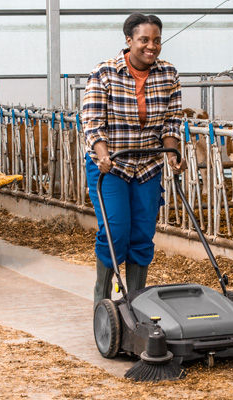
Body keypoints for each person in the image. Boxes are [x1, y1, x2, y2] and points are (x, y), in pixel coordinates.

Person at [82, 13, 185, 305]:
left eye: (156, 40)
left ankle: (135, 302)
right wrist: (102, 156)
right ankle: (103, 303)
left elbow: (171, 122)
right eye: (144, 40)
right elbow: (92, 123)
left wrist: (173, 154)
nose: (151, 46)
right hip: (112, 166)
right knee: (116, 232)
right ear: (129, 41)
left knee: (142, 235)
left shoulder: (168, 74)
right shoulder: (104, 73)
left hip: (148, 165)